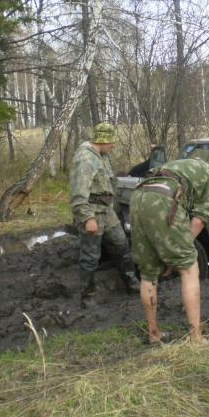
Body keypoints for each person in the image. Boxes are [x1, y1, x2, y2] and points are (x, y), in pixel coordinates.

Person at [130, 158, 209, 344]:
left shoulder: (189, 166)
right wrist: (176, 254)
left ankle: (153, 334)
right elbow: (198, 221)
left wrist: (169, 252)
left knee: (148, 274)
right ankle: (196, 338)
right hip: (165, 198)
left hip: (138, 196)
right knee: (189, 266)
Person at [70, 122, 140, 306]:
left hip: (106, 212)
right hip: (92, 213)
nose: (113, 145)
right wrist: (88, 218)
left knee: (122, 246)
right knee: (90, 257)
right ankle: (88, 298)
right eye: (111, 142)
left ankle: (132, 285)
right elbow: (78, 194)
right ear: (102, 140)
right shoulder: (85, 160)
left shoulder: (102, 155)